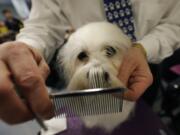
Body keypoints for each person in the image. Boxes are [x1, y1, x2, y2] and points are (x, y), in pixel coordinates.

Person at [0, 0, 179, 124]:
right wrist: (25, 49)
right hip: (89, 81)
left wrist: (143, 48)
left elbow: (175, 22)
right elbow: (42, 25)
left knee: (144, 118)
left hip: (149, 63)